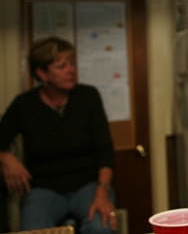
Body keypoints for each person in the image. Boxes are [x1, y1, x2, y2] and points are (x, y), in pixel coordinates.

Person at [0, 36, 117, 233]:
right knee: (34, 231)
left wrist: (102, 191)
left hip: (88, 186)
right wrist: (5, 157)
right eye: (61, 66)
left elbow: (105, 151)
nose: (71, 70)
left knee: (100, 226)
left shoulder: (88, 97)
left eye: (72, 64)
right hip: (43, 190)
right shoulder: (24, 105)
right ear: (42, 74)